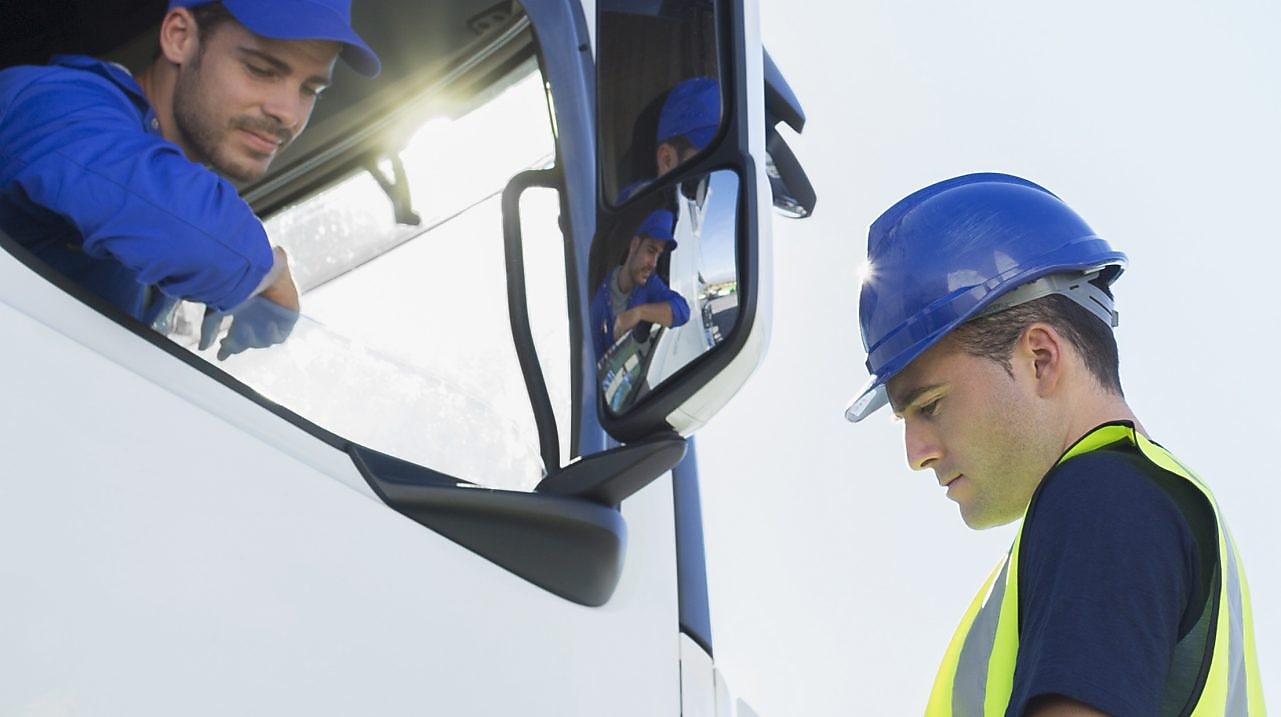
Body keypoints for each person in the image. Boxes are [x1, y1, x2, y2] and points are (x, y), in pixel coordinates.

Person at [846, 173, 1264, 716]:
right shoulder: (1138, 506)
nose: (915, 452)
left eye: (929, 406)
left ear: (1040, 358)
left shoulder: (1103, 502)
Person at [0, 0, 379, 356]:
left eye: (309, 89)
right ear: (179, 37)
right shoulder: (54, 102)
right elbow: (187, 233)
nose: (288, 114)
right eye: (261, 70)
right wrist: (268, 273)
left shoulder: (172, 214)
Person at [590, 208, 691, 360]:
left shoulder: (649, 284)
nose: (654, 264)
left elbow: (683, 310)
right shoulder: (598, 300)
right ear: (634, 245)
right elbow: (593, 363)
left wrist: (639, 313)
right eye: (651, 251)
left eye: (658, 255)